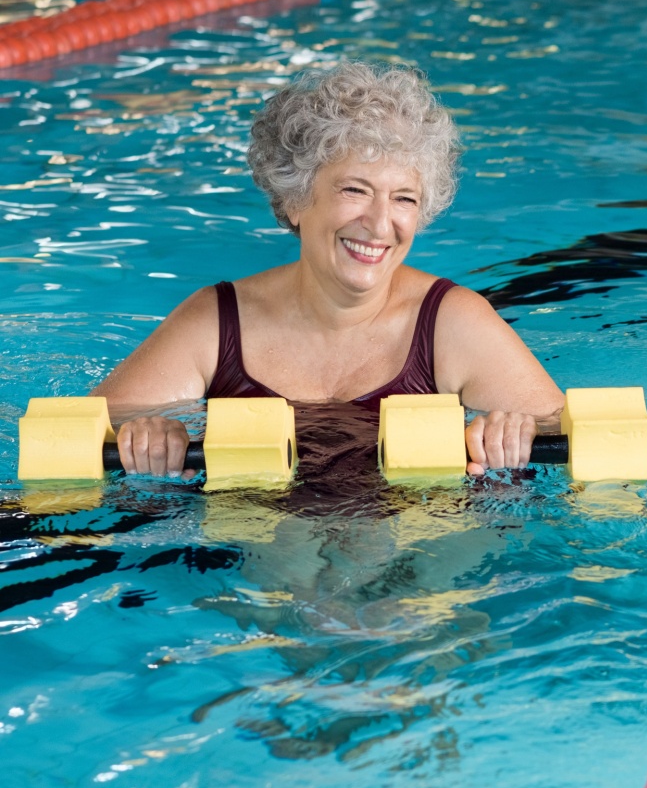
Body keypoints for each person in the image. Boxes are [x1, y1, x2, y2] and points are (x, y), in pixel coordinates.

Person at [93, 61, 563, 477]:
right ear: (296, 200)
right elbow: (85, 428)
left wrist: (510, 429)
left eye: (404, 199)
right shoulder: (216, 324)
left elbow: (570, 435)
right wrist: (150, 435)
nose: (380, 224)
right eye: (354, 190)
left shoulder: (453, 324)